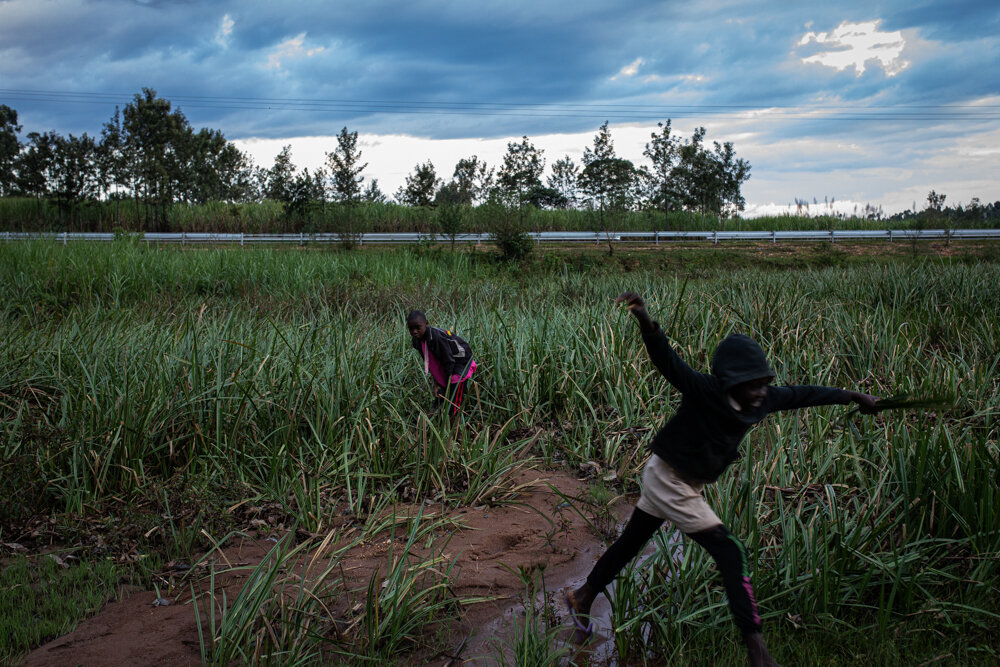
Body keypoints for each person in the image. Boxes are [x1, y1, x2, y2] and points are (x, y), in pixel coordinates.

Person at [565, 292, 879, 667]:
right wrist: (645, 319)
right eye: (751, 384)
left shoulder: (762, 399)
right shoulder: (706, 392)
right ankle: (758, 653)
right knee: (731, 552)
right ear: (730, 382)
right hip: (670, 479)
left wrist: (853, 396)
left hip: (682, 480)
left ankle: (583, 596)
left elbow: (804, 394)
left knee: (631, 543)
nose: (760, 392)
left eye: (764, 383)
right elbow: (668, 362)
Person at [406, 310, 477, 418]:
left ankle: (456, 429)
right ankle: (433, 419)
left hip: (460, 363)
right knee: (440, 395)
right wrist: (437, 383)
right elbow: (430, 361)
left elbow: (449, 361)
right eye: (411, 328)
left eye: (417, 327)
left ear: (426, 324)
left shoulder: (436, 337)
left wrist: (447, 385)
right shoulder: (417, 340)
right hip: (446, 363)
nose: (414, 331)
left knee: (454, 402)